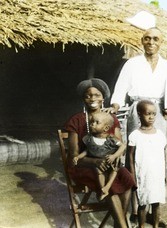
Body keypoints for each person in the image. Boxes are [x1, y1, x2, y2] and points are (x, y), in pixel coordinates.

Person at [105, 26, 167, 223]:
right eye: (147, 38)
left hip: (158, 112)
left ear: (161, 42)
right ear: (142, 41)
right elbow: (120, 90)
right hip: (137, 110)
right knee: (136, 159)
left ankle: (154, 211)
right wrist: (115, 106)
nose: (151, 42)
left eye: (155, 39)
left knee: (156, 161)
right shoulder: (132, 64)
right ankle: (136, 210)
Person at [64, 78, 136, 228]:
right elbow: (73, 156)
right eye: (88, 95)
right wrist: (94, 162)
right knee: (111, 186)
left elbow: (118, 146)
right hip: (84, 166)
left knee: (127, 178)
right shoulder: (76, 120)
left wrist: (116, 158)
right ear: (83, 99)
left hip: (108, 163)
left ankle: (119, 223)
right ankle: (123, 226)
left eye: (97, 95)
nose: (92, 99)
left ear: (103, 98)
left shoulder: (111, 119)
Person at [128, 100, 167, 228]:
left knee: (156, 202)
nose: (151, 117)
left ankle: (155, 225)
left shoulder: (160, 135)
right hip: (142, 174)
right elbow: (130, 157)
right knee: (142, 203)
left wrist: (165, 174)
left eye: (154, 114)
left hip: (157, 174)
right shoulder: (135, 135)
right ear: (139, 114)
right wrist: (133, 176)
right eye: (148, 114)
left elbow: (163, 154)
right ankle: (142, 226)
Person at [72, 112, 126, 201]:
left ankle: (107, 186)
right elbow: (87, 151)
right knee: (98, 171)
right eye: (91, 122)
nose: (92, 124)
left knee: (114, 170)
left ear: (106, 128)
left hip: (110, 160)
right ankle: (103, 189)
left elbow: (123, 146)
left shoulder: (110, 138)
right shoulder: (89, 138)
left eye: (97, 122)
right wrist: (78, 157)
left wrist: (114, 156)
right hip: (99, 164)